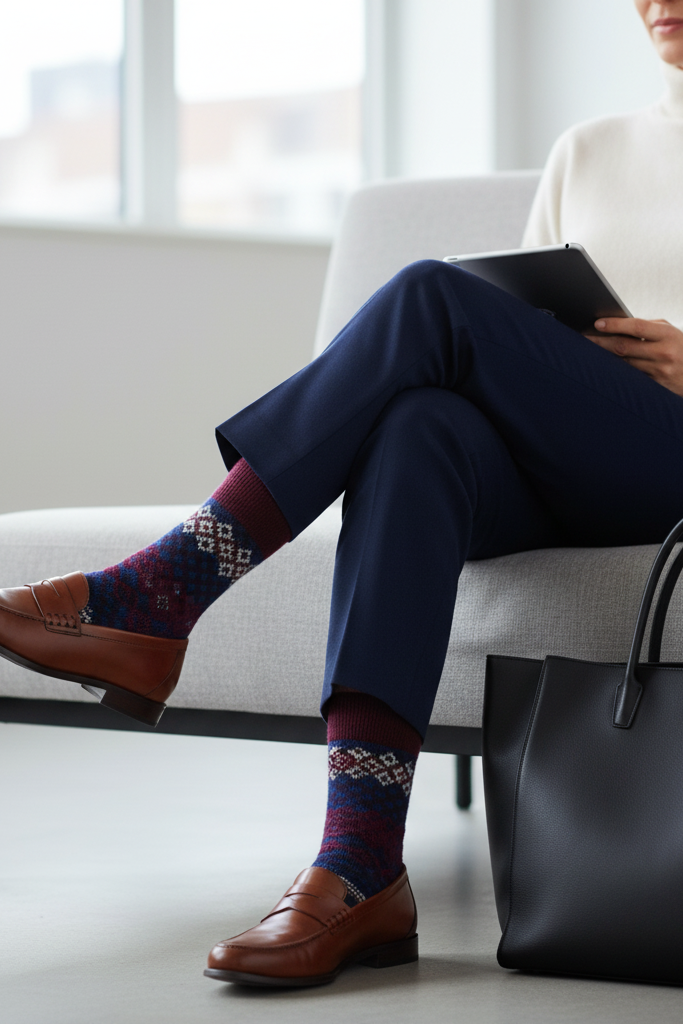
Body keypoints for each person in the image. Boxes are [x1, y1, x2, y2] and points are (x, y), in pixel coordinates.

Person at [1, 0, 683, 990]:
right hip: (568, 456)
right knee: (416, 431)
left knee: (427, 296)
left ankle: (164, 590)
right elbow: (521, 320)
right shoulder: (587, 150)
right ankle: (360, 862)